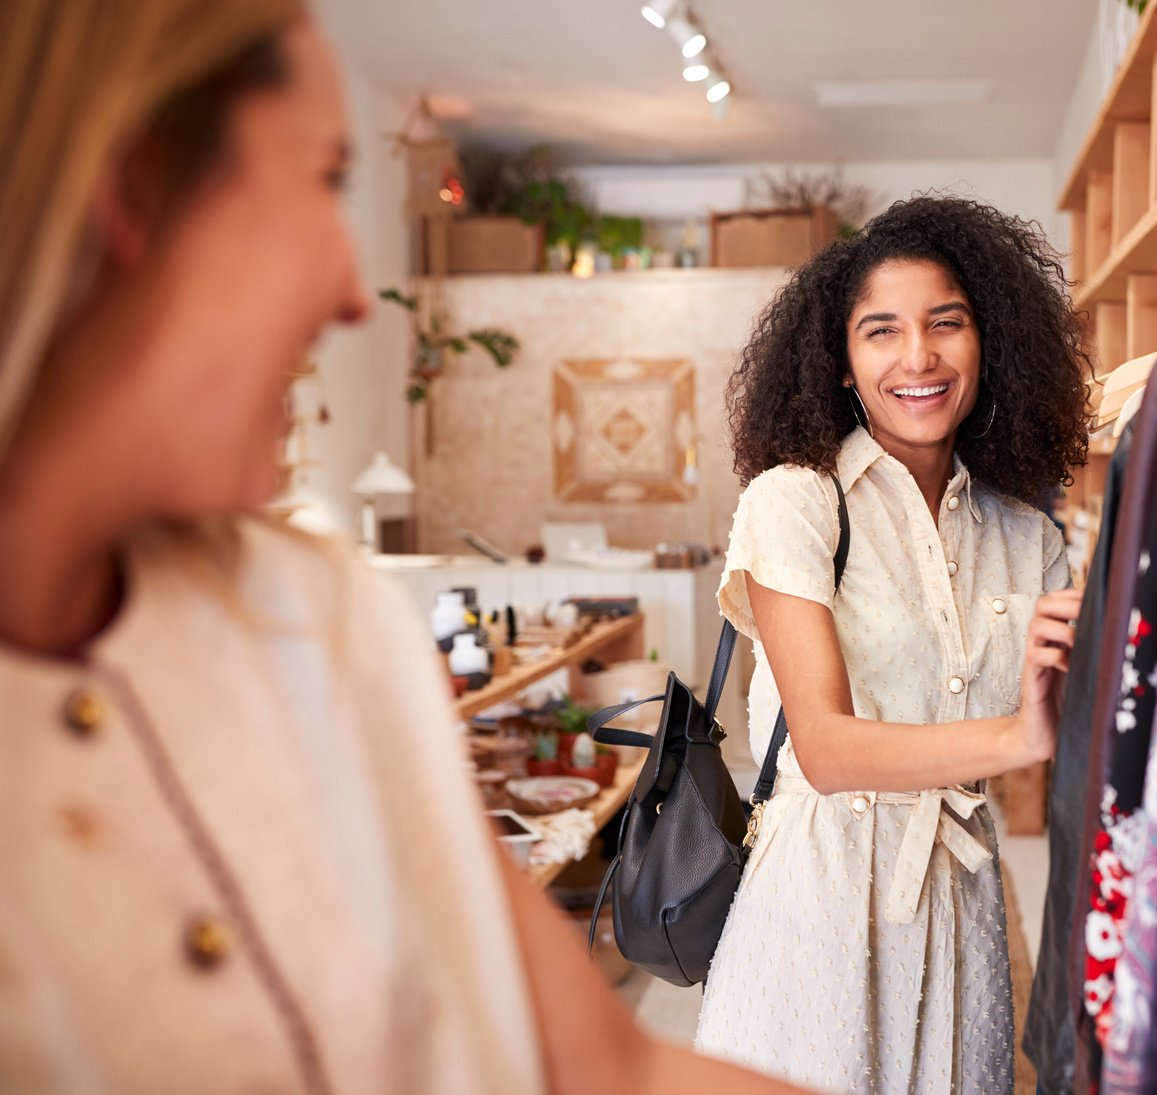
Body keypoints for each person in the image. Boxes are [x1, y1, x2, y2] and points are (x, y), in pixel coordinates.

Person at [0, 3, 809, 1091]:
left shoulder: (315, 616)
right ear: (134, 187)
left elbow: (609, 1068)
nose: (350, 291)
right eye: (323, 179)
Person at [693, 196, 1091, 1094]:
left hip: (963, 906)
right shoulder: (794, 503)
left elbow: (1075, 722)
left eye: (945, 323)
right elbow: (828, 749)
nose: (918, 356)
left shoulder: (1028, 535)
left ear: (990, 343)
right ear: (841, 361)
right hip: (817, 904)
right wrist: (1019, 738)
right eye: (882, 331)